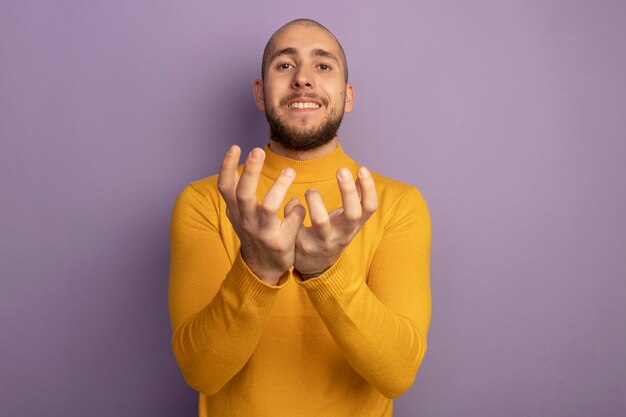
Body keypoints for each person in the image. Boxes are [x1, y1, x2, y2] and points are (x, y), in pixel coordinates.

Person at [168, 18, 432, 417]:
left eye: (322, 65)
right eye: (284, 65)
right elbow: (202, 372)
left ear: (347, 96)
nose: (303, 79)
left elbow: (397, 373)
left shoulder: (397, 204)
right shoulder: (205, 201)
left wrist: (326, 273)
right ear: (260, 93)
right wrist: (256, 269)